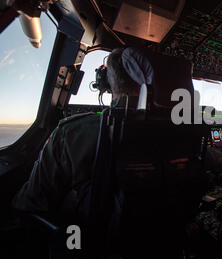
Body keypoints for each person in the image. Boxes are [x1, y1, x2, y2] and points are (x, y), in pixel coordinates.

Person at [11, 47, 151, 217]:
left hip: (85, 239)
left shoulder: (70, 132)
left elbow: (31, 203)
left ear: (106, 82)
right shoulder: (182, 133)